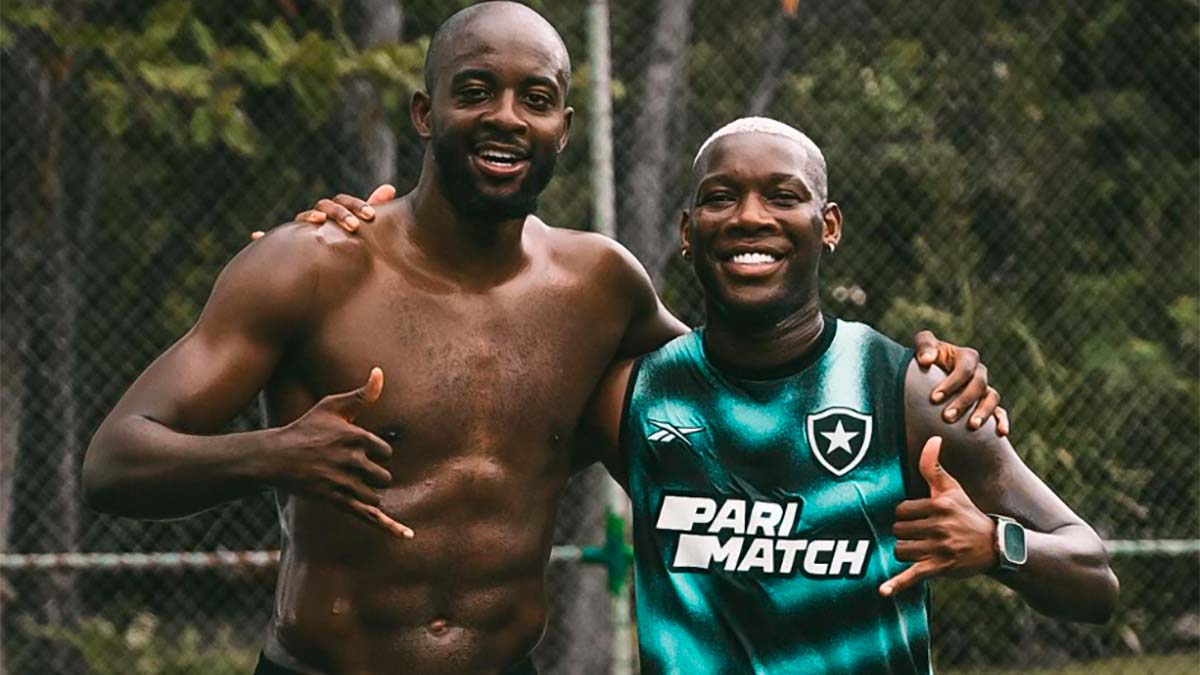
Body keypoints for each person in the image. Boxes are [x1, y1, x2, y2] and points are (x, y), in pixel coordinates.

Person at [83, 4, 1002, 674]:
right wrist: (275, 452)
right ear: (424, 112)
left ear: (564, 123)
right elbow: (116, 462)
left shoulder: (599, 285)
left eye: (537, 97)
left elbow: (747, 390)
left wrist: (921, 376)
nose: (506, 118)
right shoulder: (312, 266)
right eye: (475, 91)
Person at [566, 118, 1118, 674]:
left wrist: (997, 544)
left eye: (783, 196)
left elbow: (1095, 579)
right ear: (688, 231)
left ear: (828, 225)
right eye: (721, 197)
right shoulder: (633, 398)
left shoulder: (911, 393)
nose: (751, 217)